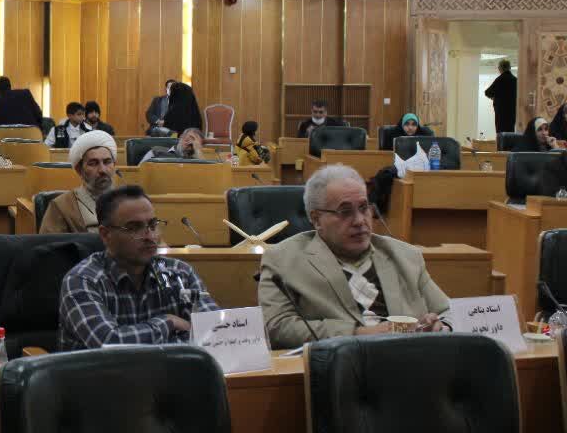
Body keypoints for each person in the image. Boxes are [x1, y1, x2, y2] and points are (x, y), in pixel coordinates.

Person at [258, 164, 451, 349]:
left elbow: (448, 312)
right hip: (337, 365)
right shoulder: (283, 261)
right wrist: (358, 334)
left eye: (364, 208)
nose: (359, 221)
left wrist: (441, 327)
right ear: (316, 219)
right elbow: (276, 327)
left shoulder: (406, 256)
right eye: (345, 212)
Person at [59, 185, 219, 351]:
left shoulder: (180, 272)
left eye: (153, 224)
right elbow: (110, 344)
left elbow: (216, 333)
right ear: (106, 234)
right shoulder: (82, 280)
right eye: (134, 228)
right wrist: (168, 322)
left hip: (171, 367)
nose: (149, 236)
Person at [39, 130, 117, 234]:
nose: (102, 170)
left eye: (107, 162)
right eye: (93, 163)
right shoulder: (61, 206)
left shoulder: (130, 201)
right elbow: (50, 243)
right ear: (79, 170)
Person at [485, 60, 517, 135]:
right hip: (512, 111)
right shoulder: (515, 80)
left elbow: (487, 92)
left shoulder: (499, 80)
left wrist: (493, 97)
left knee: (500, 133)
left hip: (501, 111)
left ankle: (501, 143)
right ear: (510, 68)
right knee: (510, 131)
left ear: (500, 68)